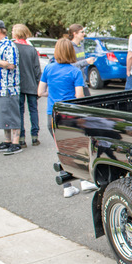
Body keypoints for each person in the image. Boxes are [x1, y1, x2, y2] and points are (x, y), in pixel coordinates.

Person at [38, 38, 96, 197]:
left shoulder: (48, 68)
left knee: (61, 148)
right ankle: (84, 180)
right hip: (69, 114)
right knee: (78, 147)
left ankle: (67, 186)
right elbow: (79, 96)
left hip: (52, 114)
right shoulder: (75, 71)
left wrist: (52, 94)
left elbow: (40, 92)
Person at [0, 19, 22, 156]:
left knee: (12, 115)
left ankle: (16, 143)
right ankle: (7, 141)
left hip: (8, 87)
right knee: (3, 115)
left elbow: (11, 64)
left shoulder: (9, 45)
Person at [12, 24, 41, 147]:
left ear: (16, 33)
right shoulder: (32, 49)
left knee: (19, 111)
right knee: (33, 110)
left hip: (18, 85)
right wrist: (39, 85)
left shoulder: (13, 47)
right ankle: (35, 137)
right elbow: (37, 69)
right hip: (32, 84)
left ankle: (21, 138)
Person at [67, 24, 95, 96]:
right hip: (73, 83)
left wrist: (87, 61)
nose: (84, 34)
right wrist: (86, 62)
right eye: (82, 32)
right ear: (75, 34)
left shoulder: (81, 45)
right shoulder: (69, 46)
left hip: (82, 81)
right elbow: (70, 66)